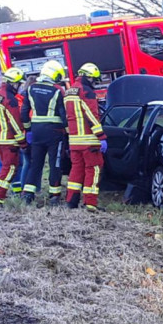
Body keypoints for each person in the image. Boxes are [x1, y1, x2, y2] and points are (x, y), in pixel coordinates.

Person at [21, 60, 68, 206]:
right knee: (55, 163)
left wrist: (28, 129)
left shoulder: (31, 89)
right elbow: (63, 114)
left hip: (36, 131)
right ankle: (54, 196)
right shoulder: (57, 90)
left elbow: (24, 112)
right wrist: (68, 132)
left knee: (36, 163)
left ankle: (28, 194)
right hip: (55, 132)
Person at [64, 62, 107, 212]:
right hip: (89, 140)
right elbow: (91, 116)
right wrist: (101, 136)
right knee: (94, 169)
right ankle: (90, 203)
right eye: (94, 80)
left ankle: (71, 201)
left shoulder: (69, 91)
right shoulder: (86, 91)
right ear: (89, 78)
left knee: (76, 169)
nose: (95, 83)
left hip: (74, 140)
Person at [0, 67, 27, 205]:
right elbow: (14, 122)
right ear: (13, 83)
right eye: (18, 84)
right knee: (10, 168)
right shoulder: (10, 99)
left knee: (5, 166)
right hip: (9, 139)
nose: (19, 87)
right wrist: (22, 141)